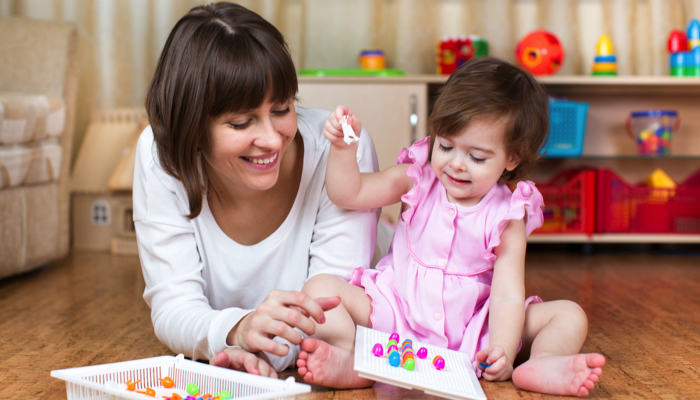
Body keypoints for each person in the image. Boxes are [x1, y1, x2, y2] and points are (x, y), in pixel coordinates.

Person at [296, 57, 606, 397]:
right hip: (395, 309)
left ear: (512, 158)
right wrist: (343, 150)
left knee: (570, 314)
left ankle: (542, 362)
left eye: (477, 157)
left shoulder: (508, 215)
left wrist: (501, 347)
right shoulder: (418, 176)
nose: (456, 164)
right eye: (445, 146)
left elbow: (505, 294)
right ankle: (353, 357)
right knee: (320, 288)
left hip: (474, 327)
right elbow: (350, 193)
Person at [133, 2, 380, 378]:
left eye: (282, 109)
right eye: (241, 122)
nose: (271, 139)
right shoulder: (160, 155)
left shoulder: (342, 152)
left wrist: (259, 348)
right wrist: (237, 333)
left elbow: (332, 317)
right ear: (190, 126)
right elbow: (173, 306)